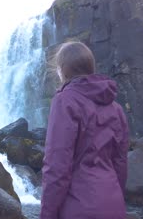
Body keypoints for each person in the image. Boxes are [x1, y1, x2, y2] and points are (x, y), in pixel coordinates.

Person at [40, 42, 129, 219]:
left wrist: (47, 214)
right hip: (114, 205)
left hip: (79, 207)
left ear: (63, 70)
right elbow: (120, 163)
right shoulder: (116, 108)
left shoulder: (65, 101)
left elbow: (57, 165)